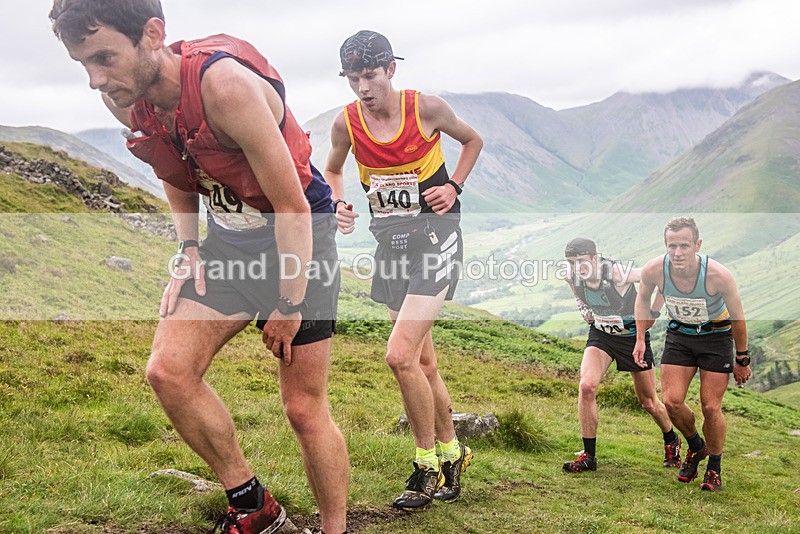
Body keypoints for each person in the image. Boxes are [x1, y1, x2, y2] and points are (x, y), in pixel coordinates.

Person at [49, 1, 349, 532]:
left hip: (300, 240)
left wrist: (289, 302)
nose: (96, 80)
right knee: (168, 371)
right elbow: (168, 165)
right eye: (82, 65)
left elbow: (294, 207)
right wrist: (189, 250)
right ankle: (253, 505)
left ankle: (335, 529)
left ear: (152, 34)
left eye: (103, 58)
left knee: (304, 409)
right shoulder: (129, 97)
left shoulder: (224, 87)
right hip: (229, 247)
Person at [324, 30, 482, 511]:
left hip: (437, 239)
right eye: (353, 78)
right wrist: (337, 202)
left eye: (369, 75)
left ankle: (426, 465)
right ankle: (455, 453)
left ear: (390, 69)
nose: (362, 88)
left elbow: (472, 140)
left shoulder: (425, 109)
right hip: (390, 245)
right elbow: (332, 170)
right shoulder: (347, 123)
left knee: (398, 356)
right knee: (422, 362)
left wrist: (454, 186)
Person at [634, 217, 751, 492]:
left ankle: (714, 468)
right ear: (665, 245)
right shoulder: (654, 270)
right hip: (680, 336)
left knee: (711, 407)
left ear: (697, 245)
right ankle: (697, 446)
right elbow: (642, 299)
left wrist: (742, 358)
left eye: (684, 246)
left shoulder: (718, 275)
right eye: (672, 246)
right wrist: (640, 338)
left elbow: (738, 317)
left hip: (717, 336)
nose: (677, 253)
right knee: (671, 401)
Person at [560, 238, 680, 473]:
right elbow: (576, 294)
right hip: (602, 335)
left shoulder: (618, 273)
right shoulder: (570, 274)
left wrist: (654, 311)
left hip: (633, 339)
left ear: (594, 258)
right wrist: (585, 311)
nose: (577, 268)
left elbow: (661, 279)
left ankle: (671, 440)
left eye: (582, 261)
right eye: (572, 262)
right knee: (586, 387)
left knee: (648, 402)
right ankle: (589, 457)